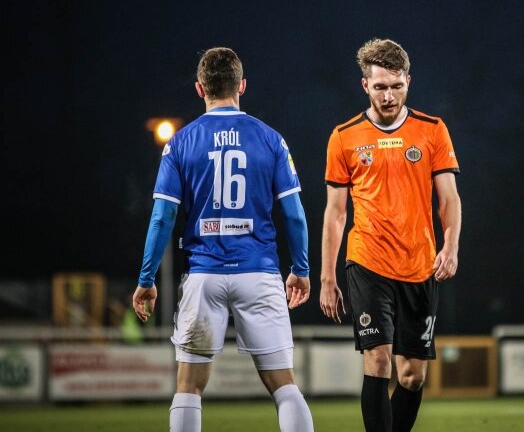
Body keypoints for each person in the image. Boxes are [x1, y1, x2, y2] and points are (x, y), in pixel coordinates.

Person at [132, 46, 314, 432]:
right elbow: (294, 214)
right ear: (242, 86)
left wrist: (146, 278)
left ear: (200, 89)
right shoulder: (271, 140)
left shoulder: (180, 143)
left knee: (189, 388)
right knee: (285, 387)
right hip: (259, 272)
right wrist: (301, 269)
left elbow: (162, 217)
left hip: (204, 275)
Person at [319, 38, 462, 432]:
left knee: (412, 375)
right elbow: (335, 213)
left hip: (419, 264)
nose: (388, 96)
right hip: (368, 261)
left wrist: (450, 246)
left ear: (408, 82)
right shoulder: (344, 136)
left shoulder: (432, 130)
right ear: (365, 84)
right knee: (378, 360)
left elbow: (449, 198)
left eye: (396, 86)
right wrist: (328, 277)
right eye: (380, 87)